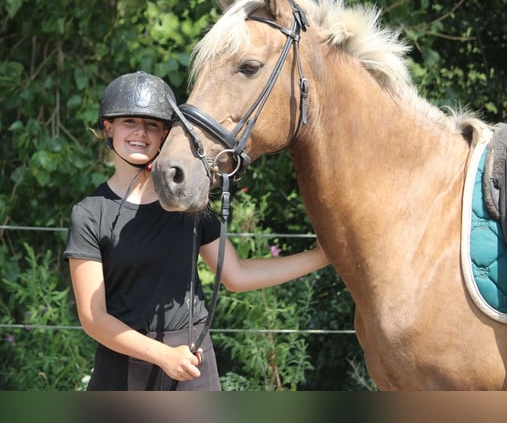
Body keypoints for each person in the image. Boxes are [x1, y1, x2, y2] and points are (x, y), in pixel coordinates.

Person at [64, 71, 329, 391]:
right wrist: (162, 356)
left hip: (191, 365)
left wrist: (324, 256)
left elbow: (237, 275)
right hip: (122, 369)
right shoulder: (89, 213)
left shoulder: (190, 202)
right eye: (129, 122)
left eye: (152, 124)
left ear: (165, 133)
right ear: (109, 128)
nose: (141, 133)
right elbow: (93, 318)